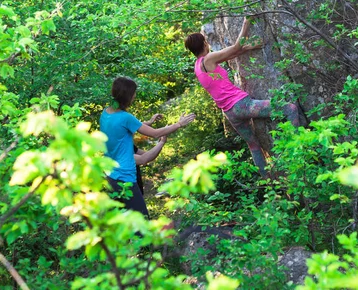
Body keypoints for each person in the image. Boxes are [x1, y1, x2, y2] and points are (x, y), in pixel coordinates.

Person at [184, 17, 300, 176]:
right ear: (204, 43)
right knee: (291, 109)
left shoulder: (198, 66)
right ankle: (298, 150)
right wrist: (247, 22)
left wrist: (248, 48)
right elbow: (235, 47)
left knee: (253, 146)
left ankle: (268, 182)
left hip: (230, 113)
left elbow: (229, 54)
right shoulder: (209, 58)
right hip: (241, 105)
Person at [100, 77, 195, 218]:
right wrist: (178, 124)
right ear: (128, 96)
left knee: (122, 220)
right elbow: (155, 134)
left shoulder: (106, 113)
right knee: (142, 221)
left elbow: (122, 127)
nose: (135, 96)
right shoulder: (125, 117)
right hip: (125, 178)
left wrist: (148, 122)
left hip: (110, 176)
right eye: (134, 93)